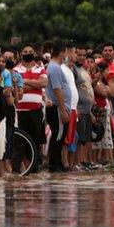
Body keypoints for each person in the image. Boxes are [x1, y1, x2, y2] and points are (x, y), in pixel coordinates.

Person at [12, 45, 47, 172]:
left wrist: (25, 81)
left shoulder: (40, 68)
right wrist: (34, 84)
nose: (28, 53)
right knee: (20, 143)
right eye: (25, 51)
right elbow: (16, 88)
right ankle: (18, 169)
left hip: (36, 111)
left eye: (30, 52)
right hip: (20, 111)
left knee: (36, 140)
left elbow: (44, 83)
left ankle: (34, 168)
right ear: (21, 54)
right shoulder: (16, 69)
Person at [45, 43, 73, 172]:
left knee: (60, 137)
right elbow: (57, 90)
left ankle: (59, 163)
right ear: (61, 53)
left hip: (60, 107)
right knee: (57, 136)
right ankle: (54, 165)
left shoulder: (56, 67)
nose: (66, 56)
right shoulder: (54, 68)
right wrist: (62, 109)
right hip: (57, 108)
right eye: (66, 53)